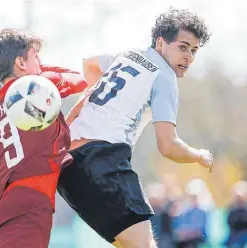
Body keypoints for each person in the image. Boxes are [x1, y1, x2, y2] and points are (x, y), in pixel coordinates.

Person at [57, 8, 213, 248]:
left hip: (67, 167)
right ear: (161, 43)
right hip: (101, 162)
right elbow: (168, 146)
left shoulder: (129, 55)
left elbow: (89, 64)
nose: (189, 57)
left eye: (194, 50)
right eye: (182, 47)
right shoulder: (164, 77)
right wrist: (199, 155)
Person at [0, 29, 87, 248]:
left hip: (5, 208)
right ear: (20, 62)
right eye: (35, 56)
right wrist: (40, 73)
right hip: (30, 206)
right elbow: (80, 80)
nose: (40, 62)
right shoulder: (36, 86)